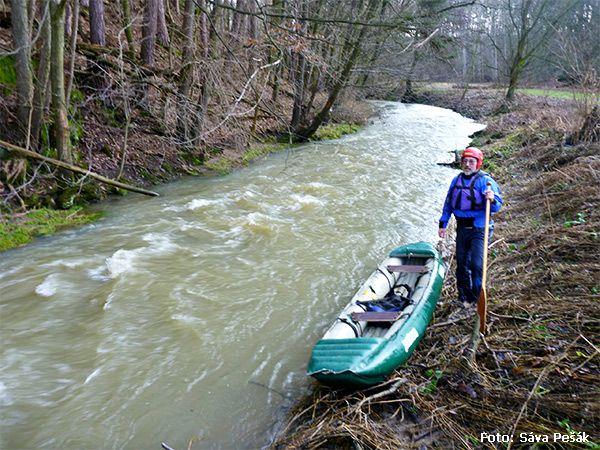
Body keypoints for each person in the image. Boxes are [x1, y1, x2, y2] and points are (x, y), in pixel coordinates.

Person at [438, 147, 502, 307]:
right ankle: (464, 297)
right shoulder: (456, 180)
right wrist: (443, 223)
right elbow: (448, 203)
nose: (467, 164)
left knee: (476, 264)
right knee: (462, 264)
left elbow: (497, 206)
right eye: (465, 161)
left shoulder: (485, 182)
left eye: (471, 162)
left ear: (478, 164)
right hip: (462, 229)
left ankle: (477, 295)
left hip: (480, 229)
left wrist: (492, 199)